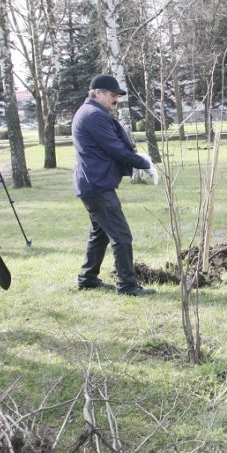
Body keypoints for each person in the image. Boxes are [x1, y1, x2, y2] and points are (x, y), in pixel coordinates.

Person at [72, 74, 157, 297]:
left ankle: (87, 279)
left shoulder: (92, 112)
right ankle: (127, 285)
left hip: (92, 182)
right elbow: (115, 148)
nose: (116, 99)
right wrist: (143, 163)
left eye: (118, 95)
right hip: (97, 185)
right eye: (112, 95)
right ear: (97, 93)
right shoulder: (93, 115)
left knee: (99, 233)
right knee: (121, 236)